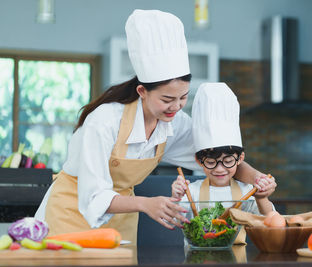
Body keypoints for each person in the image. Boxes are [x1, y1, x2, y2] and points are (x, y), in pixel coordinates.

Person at [35, 9, 274, 245]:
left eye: (183, 97)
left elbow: (217, 156)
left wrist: (257, 178)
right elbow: (94, 196)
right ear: (142, 92)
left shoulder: (176, 124)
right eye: (167, 100)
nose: (177, 107)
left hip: (120, 220)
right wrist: (146, 203)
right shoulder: (104, 121)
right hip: (70, 213)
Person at [171, 82, 276, 244]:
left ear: (240, 159)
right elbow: (174, 221)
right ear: (199, 161)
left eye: (227, 161)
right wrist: (176, 197)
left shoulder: (247, 191)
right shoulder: (192, 192)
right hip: (197, 257)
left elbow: (269, 221)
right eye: (211, 162)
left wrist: (261, 198)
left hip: (237, 256)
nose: (220, 169)